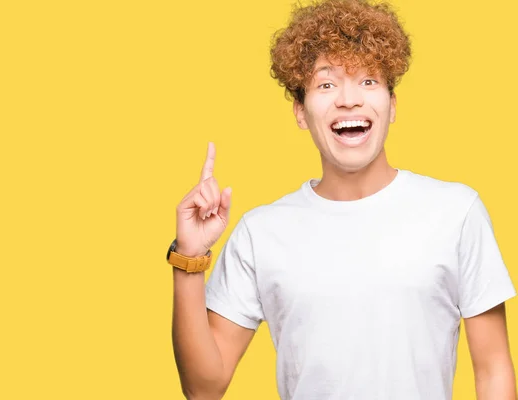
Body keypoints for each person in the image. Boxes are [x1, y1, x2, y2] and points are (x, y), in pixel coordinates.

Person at [167, 0, 517, 398]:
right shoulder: (260, 232)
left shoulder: (457, 213)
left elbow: (493, 370)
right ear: (300, 112)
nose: (349, 99)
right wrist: (189, 261)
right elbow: (203, 387)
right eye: (327, 83)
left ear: (392, 104)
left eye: (368, 81)